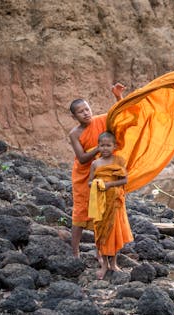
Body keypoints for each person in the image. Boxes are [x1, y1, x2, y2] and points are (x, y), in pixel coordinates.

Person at [69, 83, 125, 258]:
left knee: (100, 211)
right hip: (83, 176)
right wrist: (99, 148)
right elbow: (82, 157)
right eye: (81, 111)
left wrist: (118, 97)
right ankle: (75, 251)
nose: (86, 113)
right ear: (74, 116)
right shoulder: (75, 133)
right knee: (80, 213)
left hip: (102, 174)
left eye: (87, 109)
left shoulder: (101, 120)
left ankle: (100, 251)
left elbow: (119, 115)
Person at [88, 131, 133, 279]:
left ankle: (114, 263)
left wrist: (109, 185)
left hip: (115, 202)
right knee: (101, 231)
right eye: (102, 145)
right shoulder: (95, 163)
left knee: (114, 232)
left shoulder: (118, 161)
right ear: (98, 146)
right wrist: (97, 184)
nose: (105, 148)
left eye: (108, 145)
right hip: (100, 202)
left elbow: (124, 180)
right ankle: (104, 264)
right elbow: (89, 182)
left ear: (114, 146)